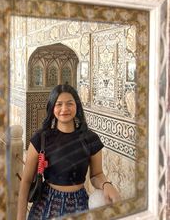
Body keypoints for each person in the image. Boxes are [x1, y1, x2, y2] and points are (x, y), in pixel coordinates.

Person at [17, 84, 120, 220]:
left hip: (80, 204)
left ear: (76, 106)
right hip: (46, 206)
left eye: (69, 104)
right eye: (59, 104)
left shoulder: (90, 139)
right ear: (52, 107)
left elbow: (96, 174)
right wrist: (20, 217)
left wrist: (106, 185)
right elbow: (26, 181)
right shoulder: (41, 138)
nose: (64, 109)